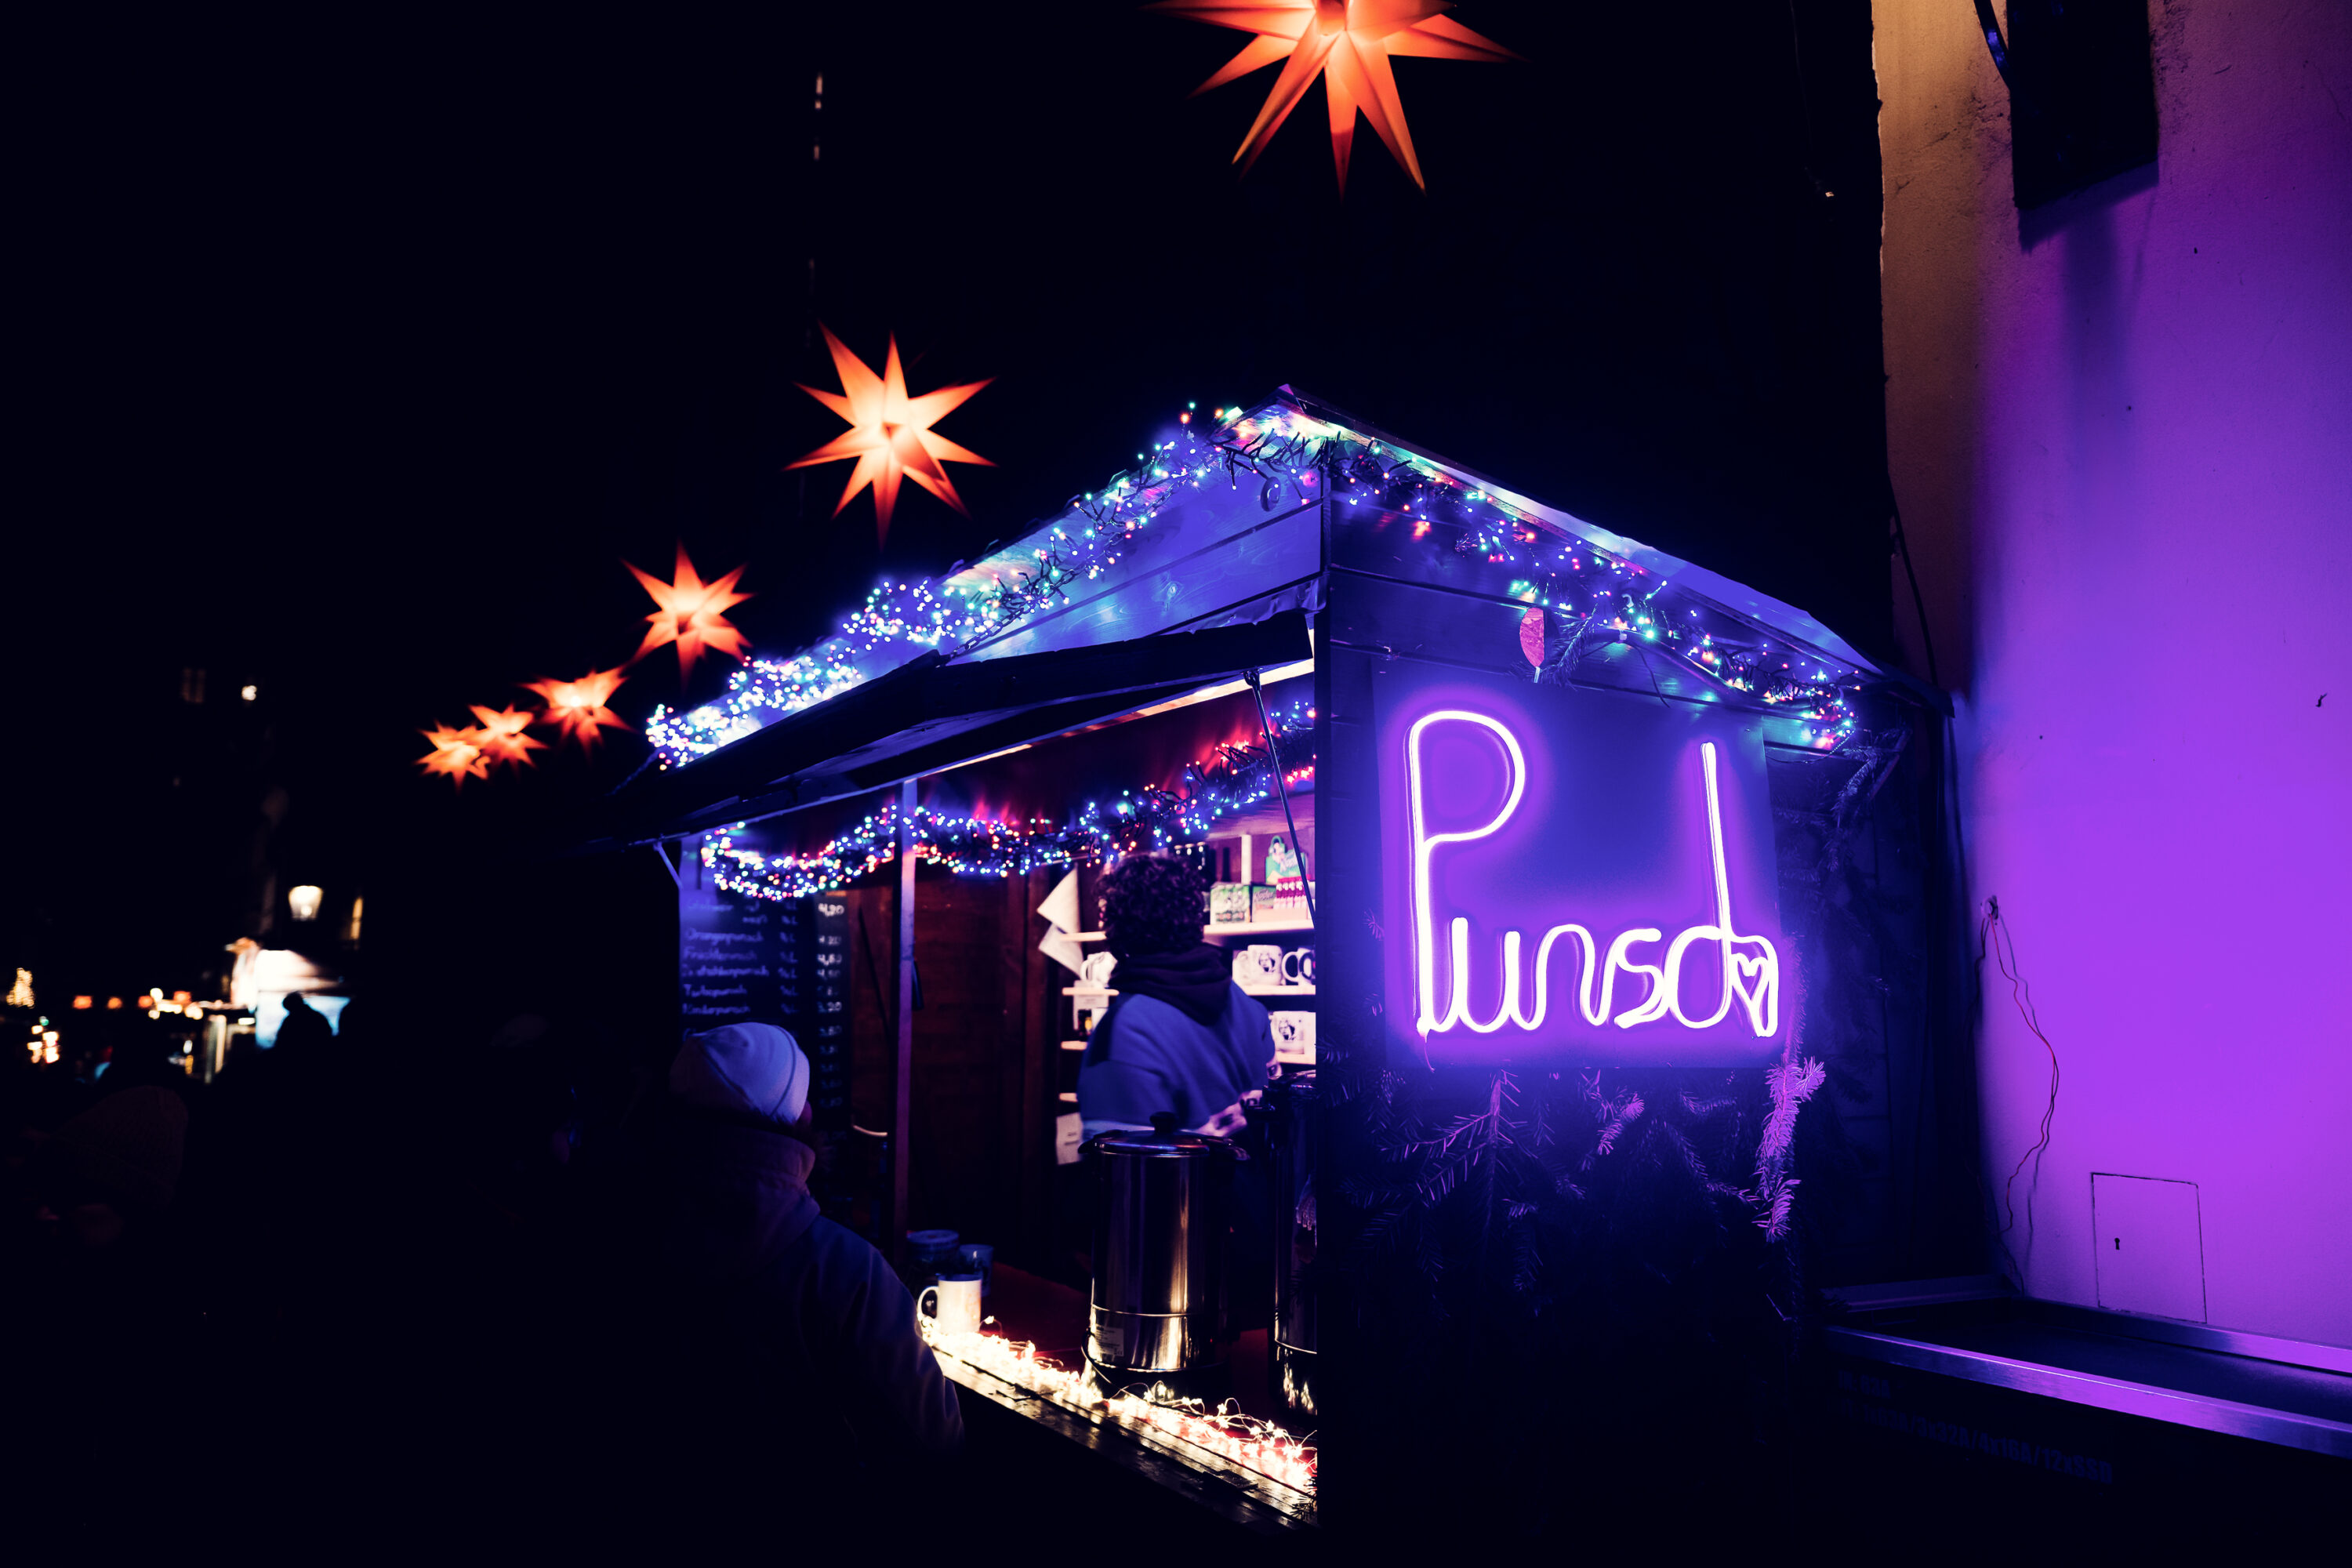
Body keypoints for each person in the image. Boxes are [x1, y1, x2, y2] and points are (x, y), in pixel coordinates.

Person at [658, 1022, 962, 1468]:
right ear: (795, 1118)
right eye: (801, 1096)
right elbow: (933, 1439)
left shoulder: (611, 1226)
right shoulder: (845, 1270)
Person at [1077, 854, 1274, 1138]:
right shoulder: (1245, 1004)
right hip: (1256, 1168)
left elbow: (1122, 1159)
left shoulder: (1123, 1032)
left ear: (1117, 927)